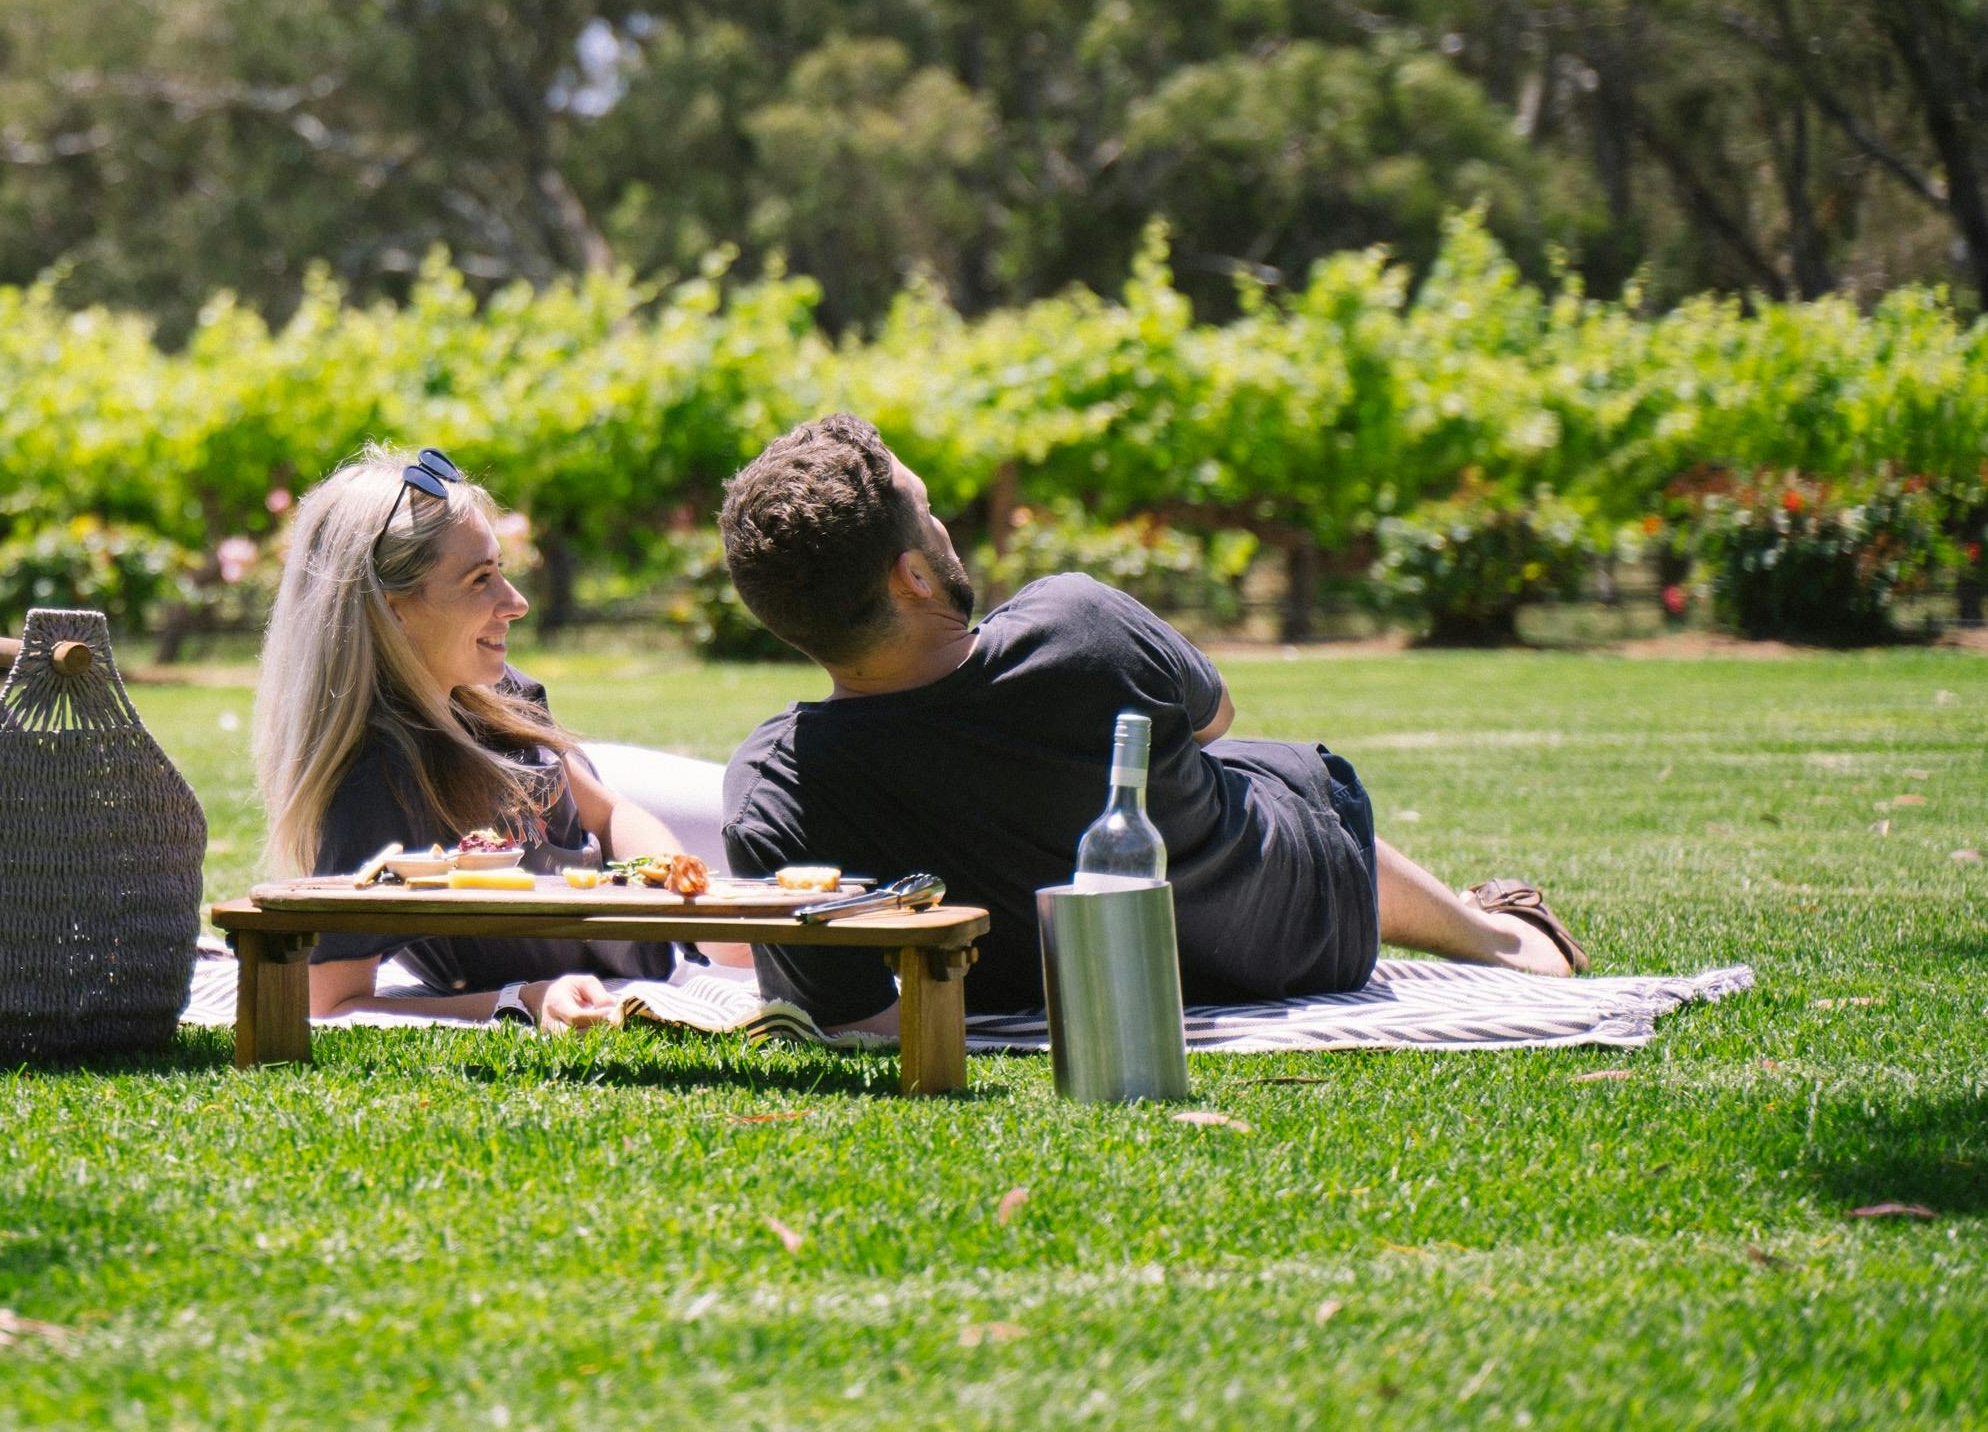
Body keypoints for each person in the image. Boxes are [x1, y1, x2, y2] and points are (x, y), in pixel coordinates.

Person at [713, 414, 1587, 1035]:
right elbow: (1216, 717)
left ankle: (1484, 923)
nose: (945, 526)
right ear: (912, 575)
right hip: (1288, 930)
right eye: (929, 508)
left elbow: (860, 1018)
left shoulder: (775, 787)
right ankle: (1497, 937)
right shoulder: (1077, 623)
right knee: (1278, 770)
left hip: (1039, 985)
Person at [252, 445, 716, 1033]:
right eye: (480, 579)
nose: (516, 602)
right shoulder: (380, 782)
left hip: (647, 836)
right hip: (630, 947)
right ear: (392, 609)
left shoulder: (491, 693)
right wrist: (526, 997)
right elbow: (329, 1005)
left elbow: (609, 811)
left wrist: (686, 892)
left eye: (501, 569)